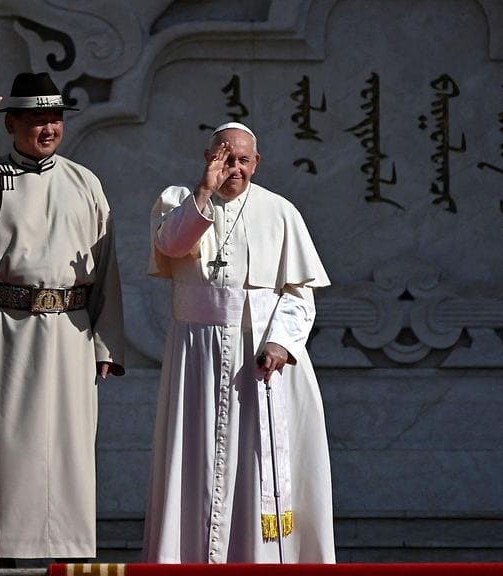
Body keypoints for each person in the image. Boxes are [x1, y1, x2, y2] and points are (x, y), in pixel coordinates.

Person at [0, 66, 126, 567]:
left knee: (69, 453)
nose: (49, 127)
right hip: (7, 330)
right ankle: (3, 559)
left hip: (72, 332)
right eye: (37, 118)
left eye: (56, 117)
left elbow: (105, 269)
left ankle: (66, 560)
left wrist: (108, 343)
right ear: (11, 122)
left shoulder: (86, 182)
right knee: (7, 452)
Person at [143, 121, 335, 563]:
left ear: (257, 163)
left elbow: (300, 296)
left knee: (255, 467)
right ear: (208, 158)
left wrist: (281, 343)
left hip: (261, 359)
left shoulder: (281, 211)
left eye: (243, 160)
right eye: (225, 158)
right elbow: (173, 247)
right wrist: (204, 193)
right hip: (198, 359)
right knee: (194, 462)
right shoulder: (177, 201)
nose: (235, 168)